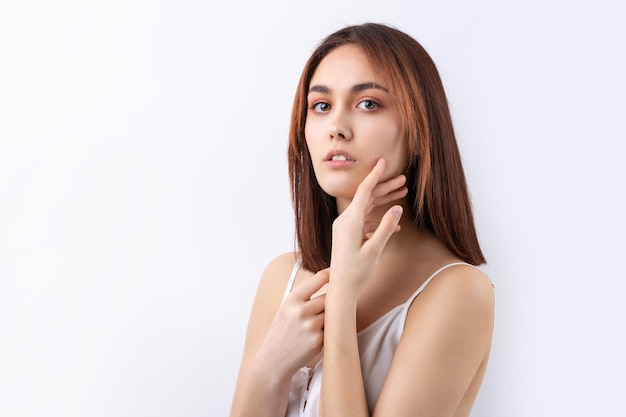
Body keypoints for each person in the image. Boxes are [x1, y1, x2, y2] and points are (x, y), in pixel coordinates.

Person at [230, 23, 494, 417]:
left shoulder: (458, 292)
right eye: (321, 106)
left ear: (420, 128)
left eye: (368, 103)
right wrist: (271, 368)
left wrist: (341, 301)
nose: (336, 127)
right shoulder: (283, 276)